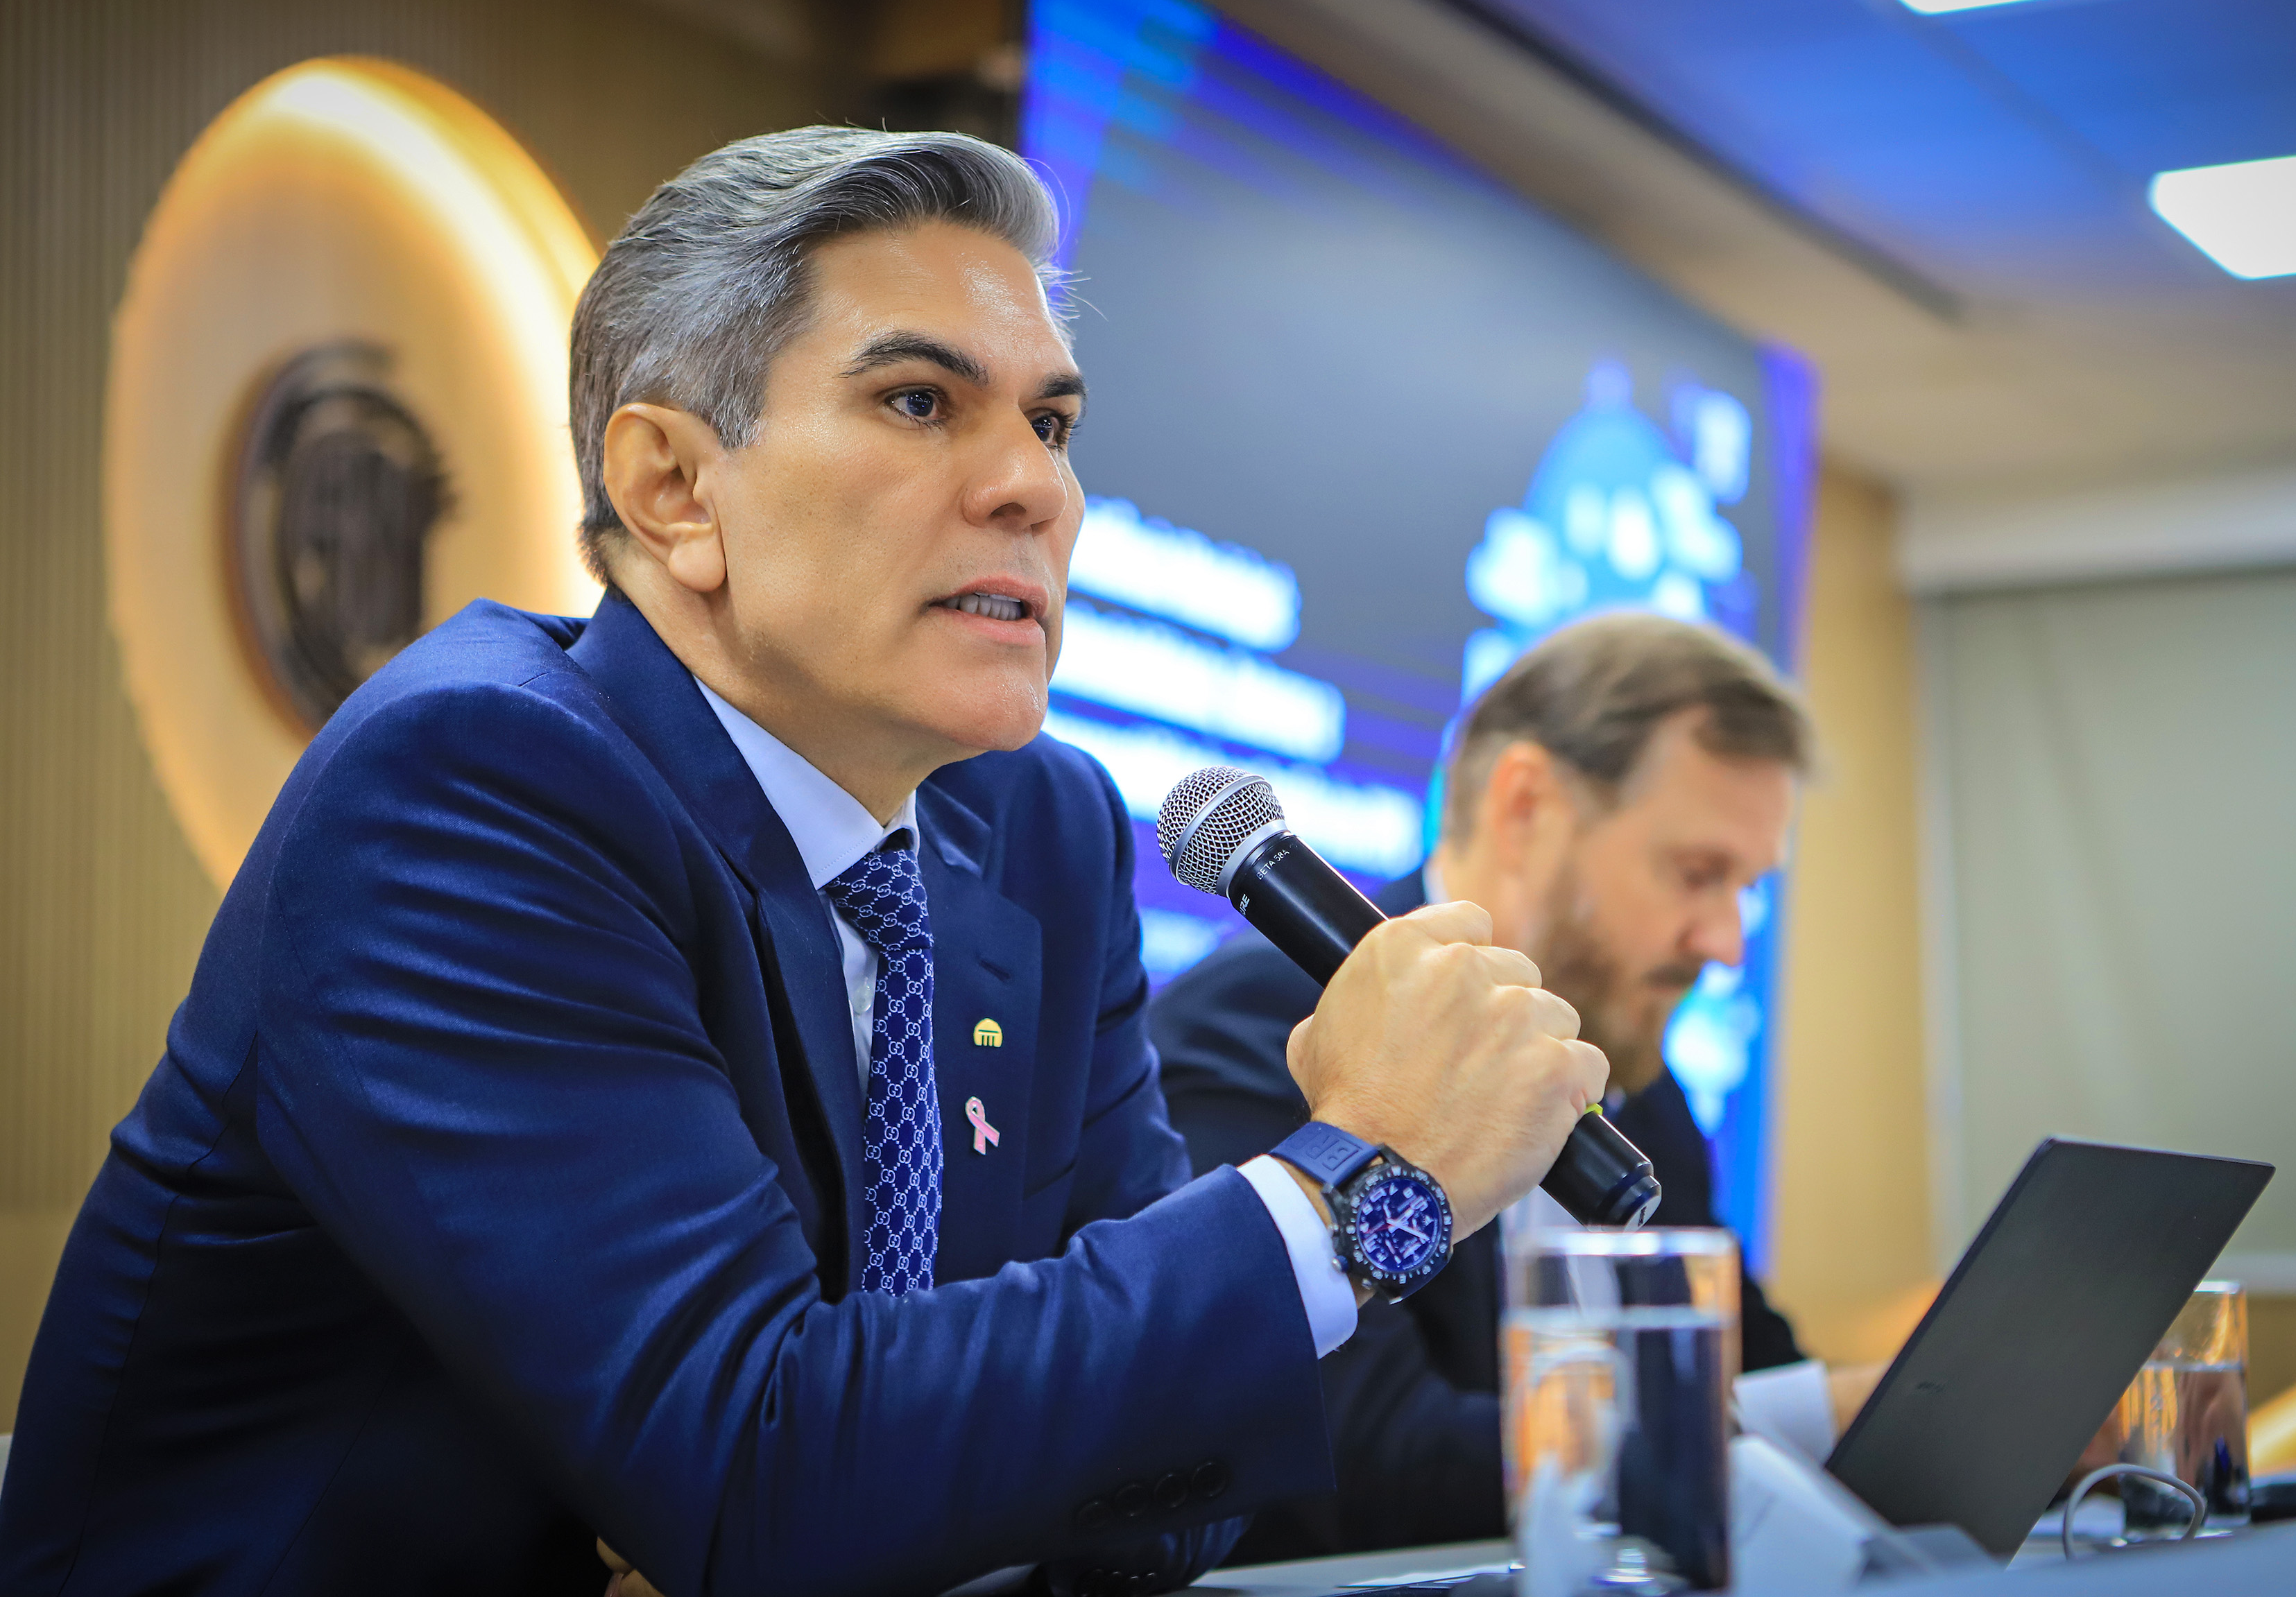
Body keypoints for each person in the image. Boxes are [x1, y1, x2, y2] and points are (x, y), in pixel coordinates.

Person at [0, 129, 1609, 1597]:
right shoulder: (471, 788)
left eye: (1050, 422)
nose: (1033, 486)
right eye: (918, 402)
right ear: (672, 488)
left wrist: (922, 1463)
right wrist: (1359, 1181)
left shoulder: (1037, 830)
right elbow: (764, 1479)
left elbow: (1154, 1504)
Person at [1154, 612, 1860, 1563]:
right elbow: (1360, 1459)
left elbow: (1746, 1358)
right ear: (1526, 807)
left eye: (1745, 889)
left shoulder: (1642, 1087)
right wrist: (1807, 1417)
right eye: (1698, 874)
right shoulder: (1258, 1028)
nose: (1727, 942)